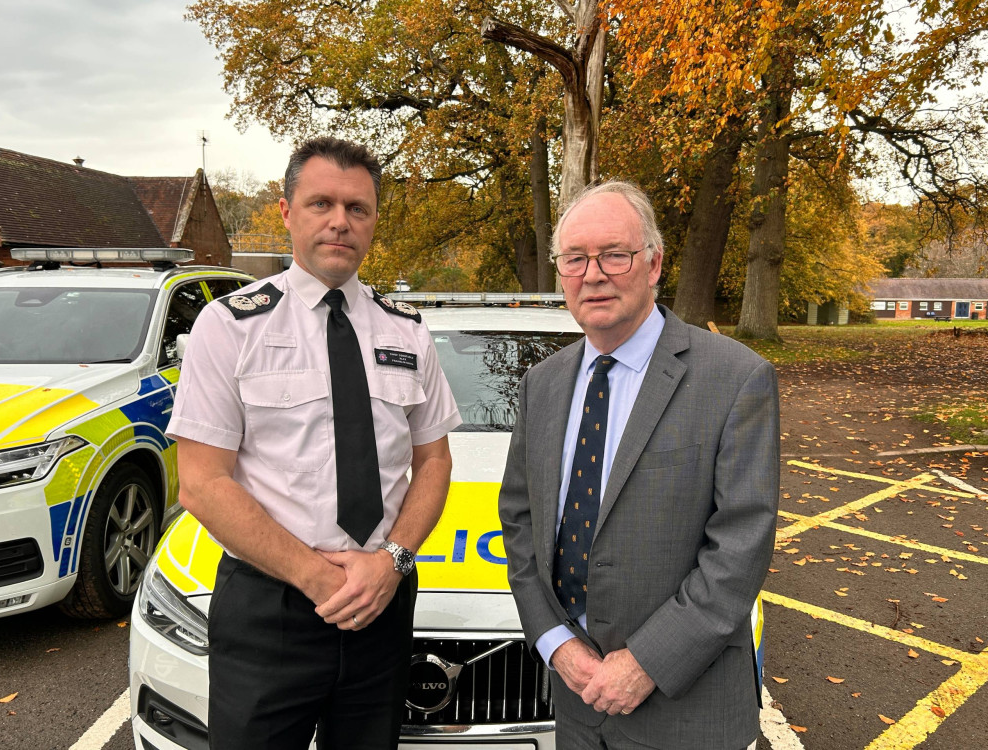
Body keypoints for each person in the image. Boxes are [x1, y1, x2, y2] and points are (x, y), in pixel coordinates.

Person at [167, 137, 461, 749]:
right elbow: (201, 482)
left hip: (381, 600)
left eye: (358, 208)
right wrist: (315, 577)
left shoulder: (407, 331)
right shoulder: (228, 328)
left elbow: (433, 460)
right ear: (285, 212)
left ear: (374, 221)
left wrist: (394, 561)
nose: (340, 222)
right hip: (271, 608)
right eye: (321, 203)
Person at [498, 181, 779, 749]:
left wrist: (647, 663)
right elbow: (521, 524)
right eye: (575, 258)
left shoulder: (735, 378)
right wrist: (555, 641)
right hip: (577, 705)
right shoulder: (542, 385)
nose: (593, 274)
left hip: (685, 709)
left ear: (653, 264)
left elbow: (741, 546)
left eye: (614, 254)